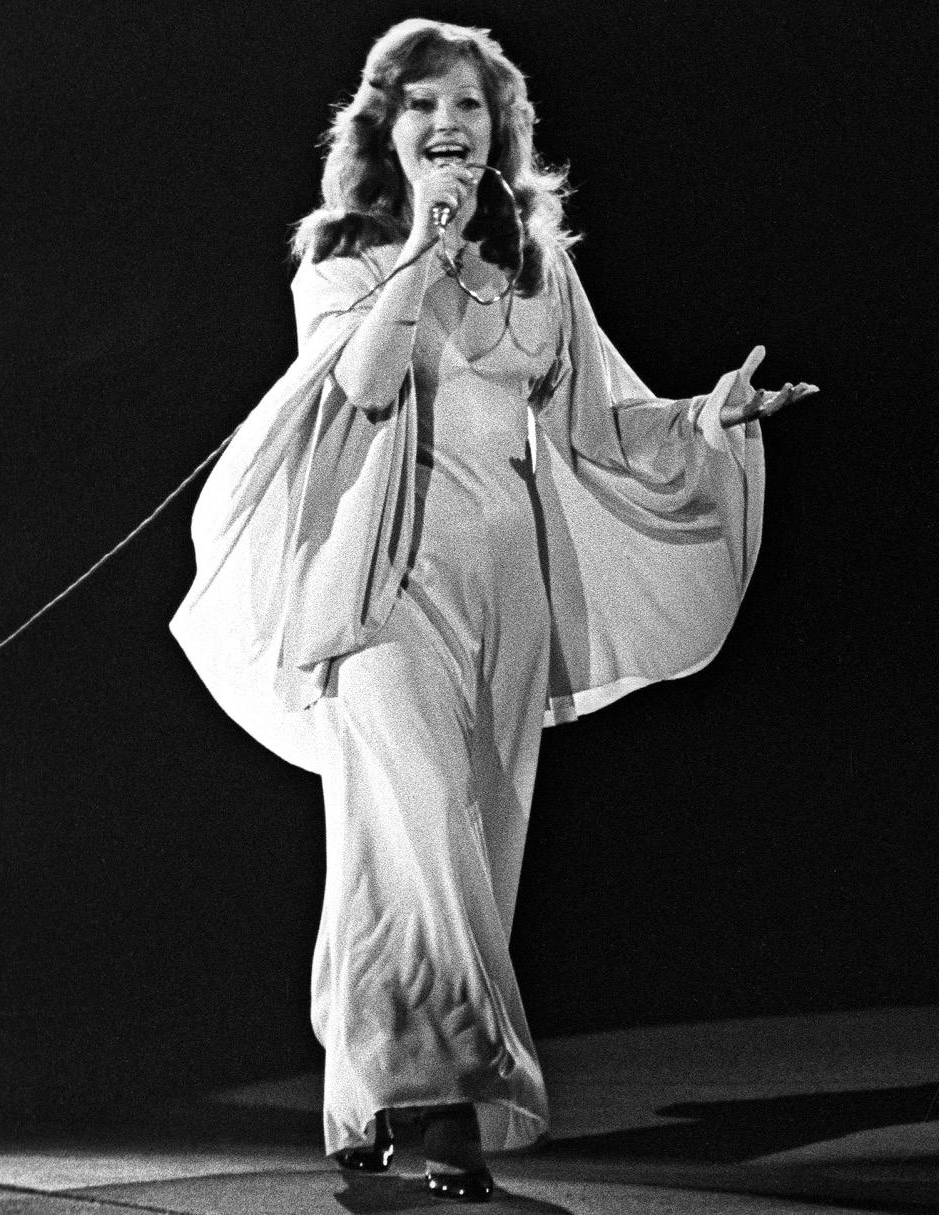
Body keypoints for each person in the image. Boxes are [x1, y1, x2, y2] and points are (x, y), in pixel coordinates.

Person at [170, 17, 818, 1203]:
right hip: (381, 588)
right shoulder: (344, 264)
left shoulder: (538, 272)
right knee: (419, 831)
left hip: (505, 588)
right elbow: (365, 383)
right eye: (422, 104)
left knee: (451, 848)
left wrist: (707, 418)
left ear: (498, 127)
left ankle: (368, 1090)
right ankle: (458, 1108)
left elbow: (595, 428)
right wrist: (425, 250)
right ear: (386, 129)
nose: (447, 123)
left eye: (468, 104)